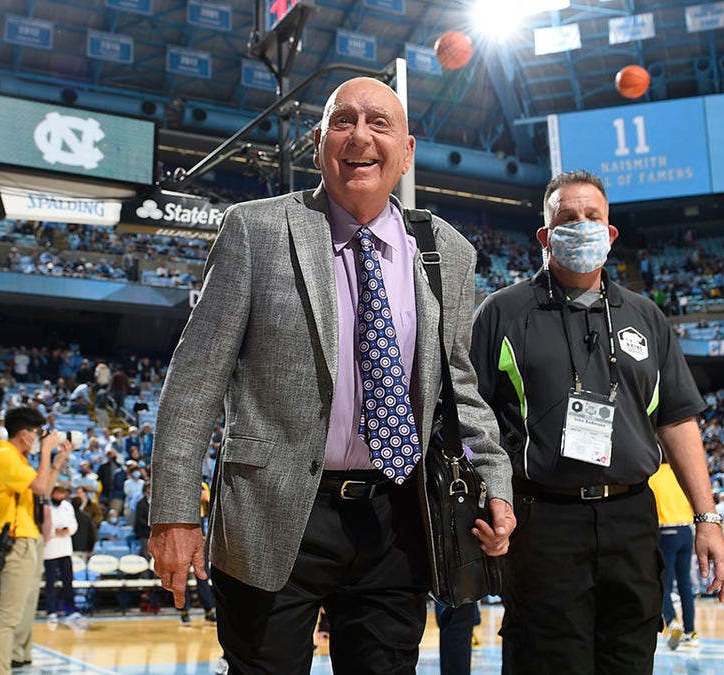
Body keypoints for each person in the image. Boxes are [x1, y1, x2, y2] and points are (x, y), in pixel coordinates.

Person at [148, 76, 514, 674]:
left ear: (407, 151)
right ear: (319, 143)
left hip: (396, 515)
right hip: (274, 511)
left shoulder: (446, 249)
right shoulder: (256, 229)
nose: (360, 136)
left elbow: (460, 388)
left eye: (379, 123)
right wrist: (175, 512)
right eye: (344, 121)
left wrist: (494, 478)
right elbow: (194, 383)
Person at [469, 169, 724, 674]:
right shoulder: (501, 312)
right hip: (542, 522)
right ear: (545, 235)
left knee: (630, 658)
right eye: (568, 217)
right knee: (546, 660)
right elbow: (470, 420)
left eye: (593, 217)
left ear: (610, 234)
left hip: (631, 520)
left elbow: (676, 421)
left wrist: (707, 519)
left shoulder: (646, 316)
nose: (582, 225)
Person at [0, 407, 73, 674]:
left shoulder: (17, 457)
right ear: (24, 434)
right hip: (15, 539)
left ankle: (16, 658)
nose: (39, 439)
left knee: (21, 610)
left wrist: (57, 462)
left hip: (27, 537)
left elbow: (44, 489)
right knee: (8, 618)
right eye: (37, 433)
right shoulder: (5, 454)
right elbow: (38, 486)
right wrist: (47, 452)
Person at [650, 461, 699, 650]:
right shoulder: (680, 473)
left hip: (666, 531)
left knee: (663, 583)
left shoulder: (652, 475)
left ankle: (672, 622)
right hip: (686, 530)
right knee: (685, 585)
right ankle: (691, 631)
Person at [43, 483, 88, 629]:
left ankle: (70, 610)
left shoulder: (67, 506)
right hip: (49, 549)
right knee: (51, 583)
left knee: (68, 581)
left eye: (62, 493)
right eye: (57, 493)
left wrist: (67, 529)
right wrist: (54, 531)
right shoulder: (45, 506)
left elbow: (73, 525)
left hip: (65, 548)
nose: (60, 496)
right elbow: (44, 525)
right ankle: (51, 610)